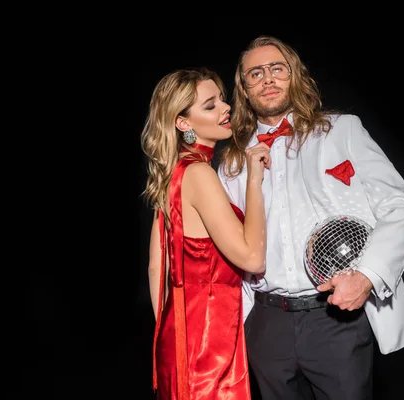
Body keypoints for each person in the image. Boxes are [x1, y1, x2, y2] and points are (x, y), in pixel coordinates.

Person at [217, 35, 404, 399]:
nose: (268, 78)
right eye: (255, 73)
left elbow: (401, 210)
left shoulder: (342, 131)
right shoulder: (232, 163)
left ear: (294, 76)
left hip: (334, 318)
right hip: (265, 323)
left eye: (277, 68)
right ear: (244, 90)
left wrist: (367, 277)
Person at [140, 67, 272, 400]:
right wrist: (255, 181)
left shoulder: (175, 172)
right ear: (183, 123)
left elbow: (158, 269)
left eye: (222, 100)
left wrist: (178, 332)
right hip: (210, 342)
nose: (226, 108)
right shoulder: (199, 173)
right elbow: (253, 258)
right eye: (210, 105)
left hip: (182, 337)